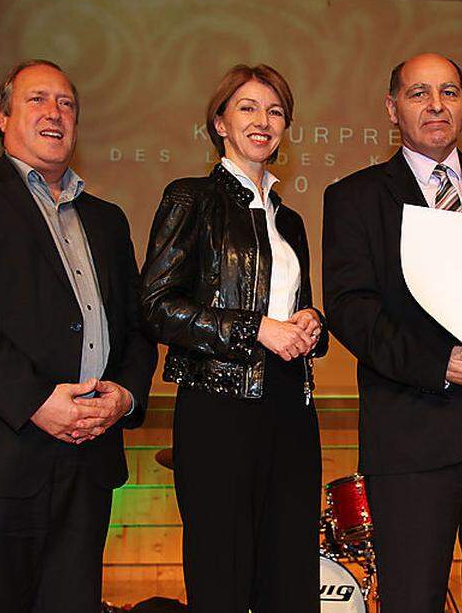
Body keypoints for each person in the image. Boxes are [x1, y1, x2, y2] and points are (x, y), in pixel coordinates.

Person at [0, 59, 158, 613]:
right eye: (37, 99)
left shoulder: (107, 219)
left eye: (66, 103)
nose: (55, 113)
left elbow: (137, 329)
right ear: (2, 115)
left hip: (86, 462)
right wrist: (37, 401)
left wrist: (125, 395)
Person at [322, 53, 462, 612]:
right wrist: (436, 362)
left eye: (449, 92)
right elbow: (353, 310)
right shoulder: (354, 197)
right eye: (418, 93)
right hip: (411, 431)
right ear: (392, 108)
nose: (435, 105)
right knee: (411, 600)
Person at [140, 64, 328, 613]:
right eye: (247, 108)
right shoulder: (190, 199)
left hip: (291, 406)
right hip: (218, 408)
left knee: (290, 572)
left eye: (274, 111)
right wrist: (255, 329)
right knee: (222, 575)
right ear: (220, 122)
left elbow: (293, 308)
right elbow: (155, 307)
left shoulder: (288, 219)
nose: (262, 121)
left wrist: (310, 323)